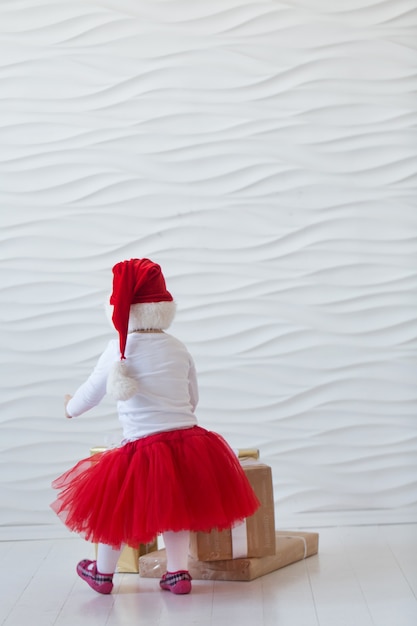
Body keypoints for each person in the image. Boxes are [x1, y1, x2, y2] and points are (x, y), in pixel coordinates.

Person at [51, 258, 260, 595]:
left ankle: (102, 574)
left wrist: (70, 409)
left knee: (116, 514)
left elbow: (91, 391)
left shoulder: (119, 349)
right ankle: (178, 573)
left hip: (142, 447)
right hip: (189, 443)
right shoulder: (177, 347)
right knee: (178, 512)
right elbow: (192, 396)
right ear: (163, 309)